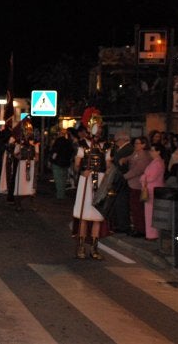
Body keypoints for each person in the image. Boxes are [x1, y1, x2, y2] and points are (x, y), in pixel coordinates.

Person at [73, 107, 110, 260]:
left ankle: (94, 249)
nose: (98, 129)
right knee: (84, 216)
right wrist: (82, 172)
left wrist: (107, 181)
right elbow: (76, 164)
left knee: (97, 217)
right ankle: (81, 247)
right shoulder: (82, 145)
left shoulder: (106, 146)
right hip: (86, 181)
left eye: (99, 126)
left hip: (100, 181)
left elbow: (108, 166)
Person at [122, 136, 151, 238]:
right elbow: (130, 158)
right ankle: (137, 227)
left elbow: (138, 170)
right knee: (134, 208)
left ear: (144, 144)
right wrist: (124, 159)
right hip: (132, 183)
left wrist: (125, 176)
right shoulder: (136, 153)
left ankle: (141, 229)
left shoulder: (144, 156)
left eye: (138, 143)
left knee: (138, 208)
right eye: (135, 143)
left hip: (138, 184)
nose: (135, 145)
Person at [109, 130, 134, 234]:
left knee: (122, 203)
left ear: (123, 139)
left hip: (122, 179)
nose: (116, 142)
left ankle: (122, 225)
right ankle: (119, 224)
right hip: (120, 178)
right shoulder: (121, 149)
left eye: (117, 140)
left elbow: (118, 163)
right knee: (119, 202)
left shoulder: (127, 149)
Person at [140, 143, 166, 241]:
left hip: (152, 189)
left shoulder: (158, 163)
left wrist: (143, 177)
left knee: (151, 213)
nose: (151, 152)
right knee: (149, 212)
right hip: (150, 189)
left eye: (153, 150)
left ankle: (152, 234)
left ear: (158, 151)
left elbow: (150, 177)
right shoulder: (155, 162)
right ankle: (151, 234)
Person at [50, 129, 74, 200]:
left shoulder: (58, 141)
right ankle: (62, 194)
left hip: (57, 163)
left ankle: (60, 195)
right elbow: (71, 152)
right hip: (66, 163)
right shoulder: (68, 142)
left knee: (58, 179)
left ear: (60, 134)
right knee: (63, 179)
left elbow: (55, 152)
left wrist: (51, 160)